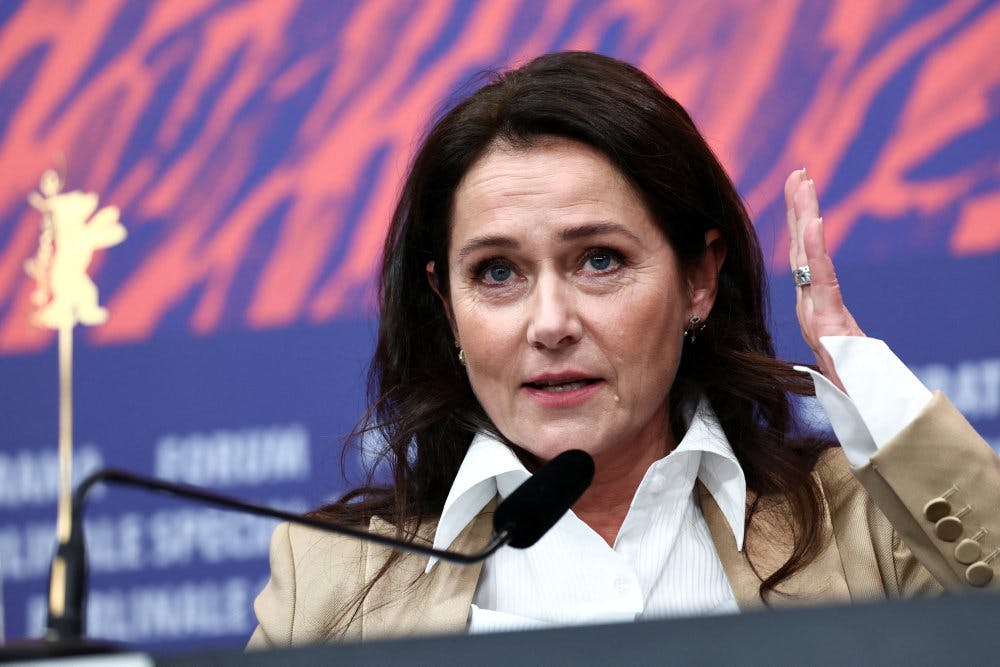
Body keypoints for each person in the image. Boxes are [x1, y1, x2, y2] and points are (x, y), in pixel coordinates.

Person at [247, 51, 999, 647]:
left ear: (699, 279)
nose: (549, 323)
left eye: (599, 259)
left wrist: (861, 372)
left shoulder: (866, 528)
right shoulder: (331, 580)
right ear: (447, 306)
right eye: (498, 272)